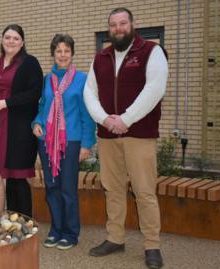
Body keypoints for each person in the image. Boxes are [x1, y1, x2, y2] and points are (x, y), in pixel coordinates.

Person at [83, 7, 168, 269]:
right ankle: (115, 238)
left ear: (133, 25)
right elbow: (89, 92)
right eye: (113, 25)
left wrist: (126, 119)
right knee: (113, 189)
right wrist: (107, 120)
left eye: (122, 23)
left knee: (144, 192)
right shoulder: (101, 57)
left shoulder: (151, 52)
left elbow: (155, 88)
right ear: (109, 29)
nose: (118, 28)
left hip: (140, 136)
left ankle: (152, 245)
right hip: (108, 136)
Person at [32, 34, 96, 250]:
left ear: (72, 53)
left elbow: (87, 114)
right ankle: (56, 229)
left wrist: (87, 144)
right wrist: (36, 123)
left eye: (66, 51)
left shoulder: (82, 79)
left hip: (71, 141)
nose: (62, 55)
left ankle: (70, 232)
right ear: (53, 54)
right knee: (51, 187)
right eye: (58, 51)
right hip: (47, 140)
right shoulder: (46, 80)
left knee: (68, 188)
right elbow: (42, 107)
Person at [0, 24, 43, 217]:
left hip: (17, 128)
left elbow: (34, 93)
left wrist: (5, 103)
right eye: (7, 37)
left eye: (16, 38)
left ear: (22, 42)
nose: (11, 41)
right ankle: (11, 219)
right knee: (6, 177)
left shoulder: (29, 63)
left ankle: (26, 222)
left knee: (18, 178)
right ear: (2, 40)